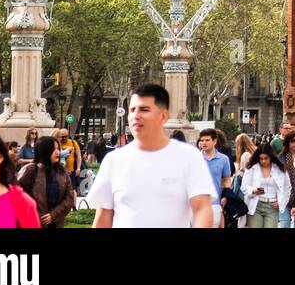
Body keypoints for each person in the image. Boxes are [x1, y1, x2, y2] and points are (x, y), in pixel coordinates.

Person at [89, 84, 213, 228]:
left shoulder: (189, 157)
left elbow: (202, 208)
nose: (136, 116)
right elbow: (103, 216)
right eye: (132, 110)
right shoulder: (113, 161)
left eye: (144, 109)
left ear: (164, 116)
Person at [16, 134, 75, 228]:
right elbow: (16, 196)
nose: (58, 152)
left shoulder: (62, 171)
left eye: (58, 149)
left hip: (56, 223)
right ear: (45, 151)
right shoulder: (30, 170)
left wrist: (53, 214)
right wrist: (35, 214)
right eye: (54, 149)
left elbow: (69, 198)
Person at [241, 145, 291, 228]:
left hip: (272, 207)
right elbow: (244, 187)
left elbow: (287, 188)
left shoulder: (280, 169)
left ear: (271, 157)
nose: (263, 161)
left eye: (266, 158)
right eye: (261, 158)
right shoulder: (252, 168)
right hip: (256, 205)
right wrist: (253, 190)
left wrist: (281, 202)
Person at [197, 128, 232, 228]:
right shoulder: (195, 158)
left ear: (215, 141)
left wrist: (225, 196)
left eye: (207, 140)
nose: (204, 143)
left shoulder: (224, 159)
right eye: (202, 140)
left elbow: (226, 180)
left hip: (215, 203)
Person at [278, 130, 295, 227]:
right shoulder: (281, 158)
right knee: (285, 225)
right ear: (287, 142)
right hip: (284, 198)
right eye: (292, 140)